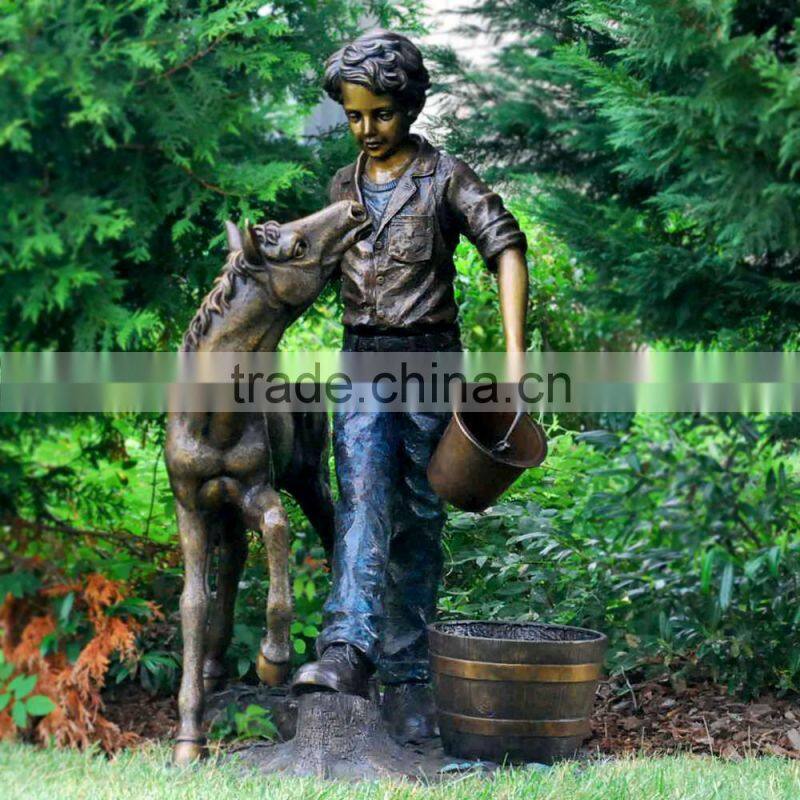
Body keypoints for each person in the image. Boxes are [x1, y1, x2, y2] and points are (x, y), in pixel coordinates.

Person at [290, 30, 529, 739]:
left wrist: (515, 359)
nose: (367, 129)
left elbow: (506, 246)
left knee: (420, 521)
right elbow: (305, 269)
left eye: (382, 114)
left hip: (431, 365)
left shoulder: (445, 176)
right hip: (361, 361)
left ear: (412, 106)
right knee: (362, 498)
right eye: (355, 115)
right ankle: (347, 650)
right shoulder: (342, 187)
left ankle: (410, 678)